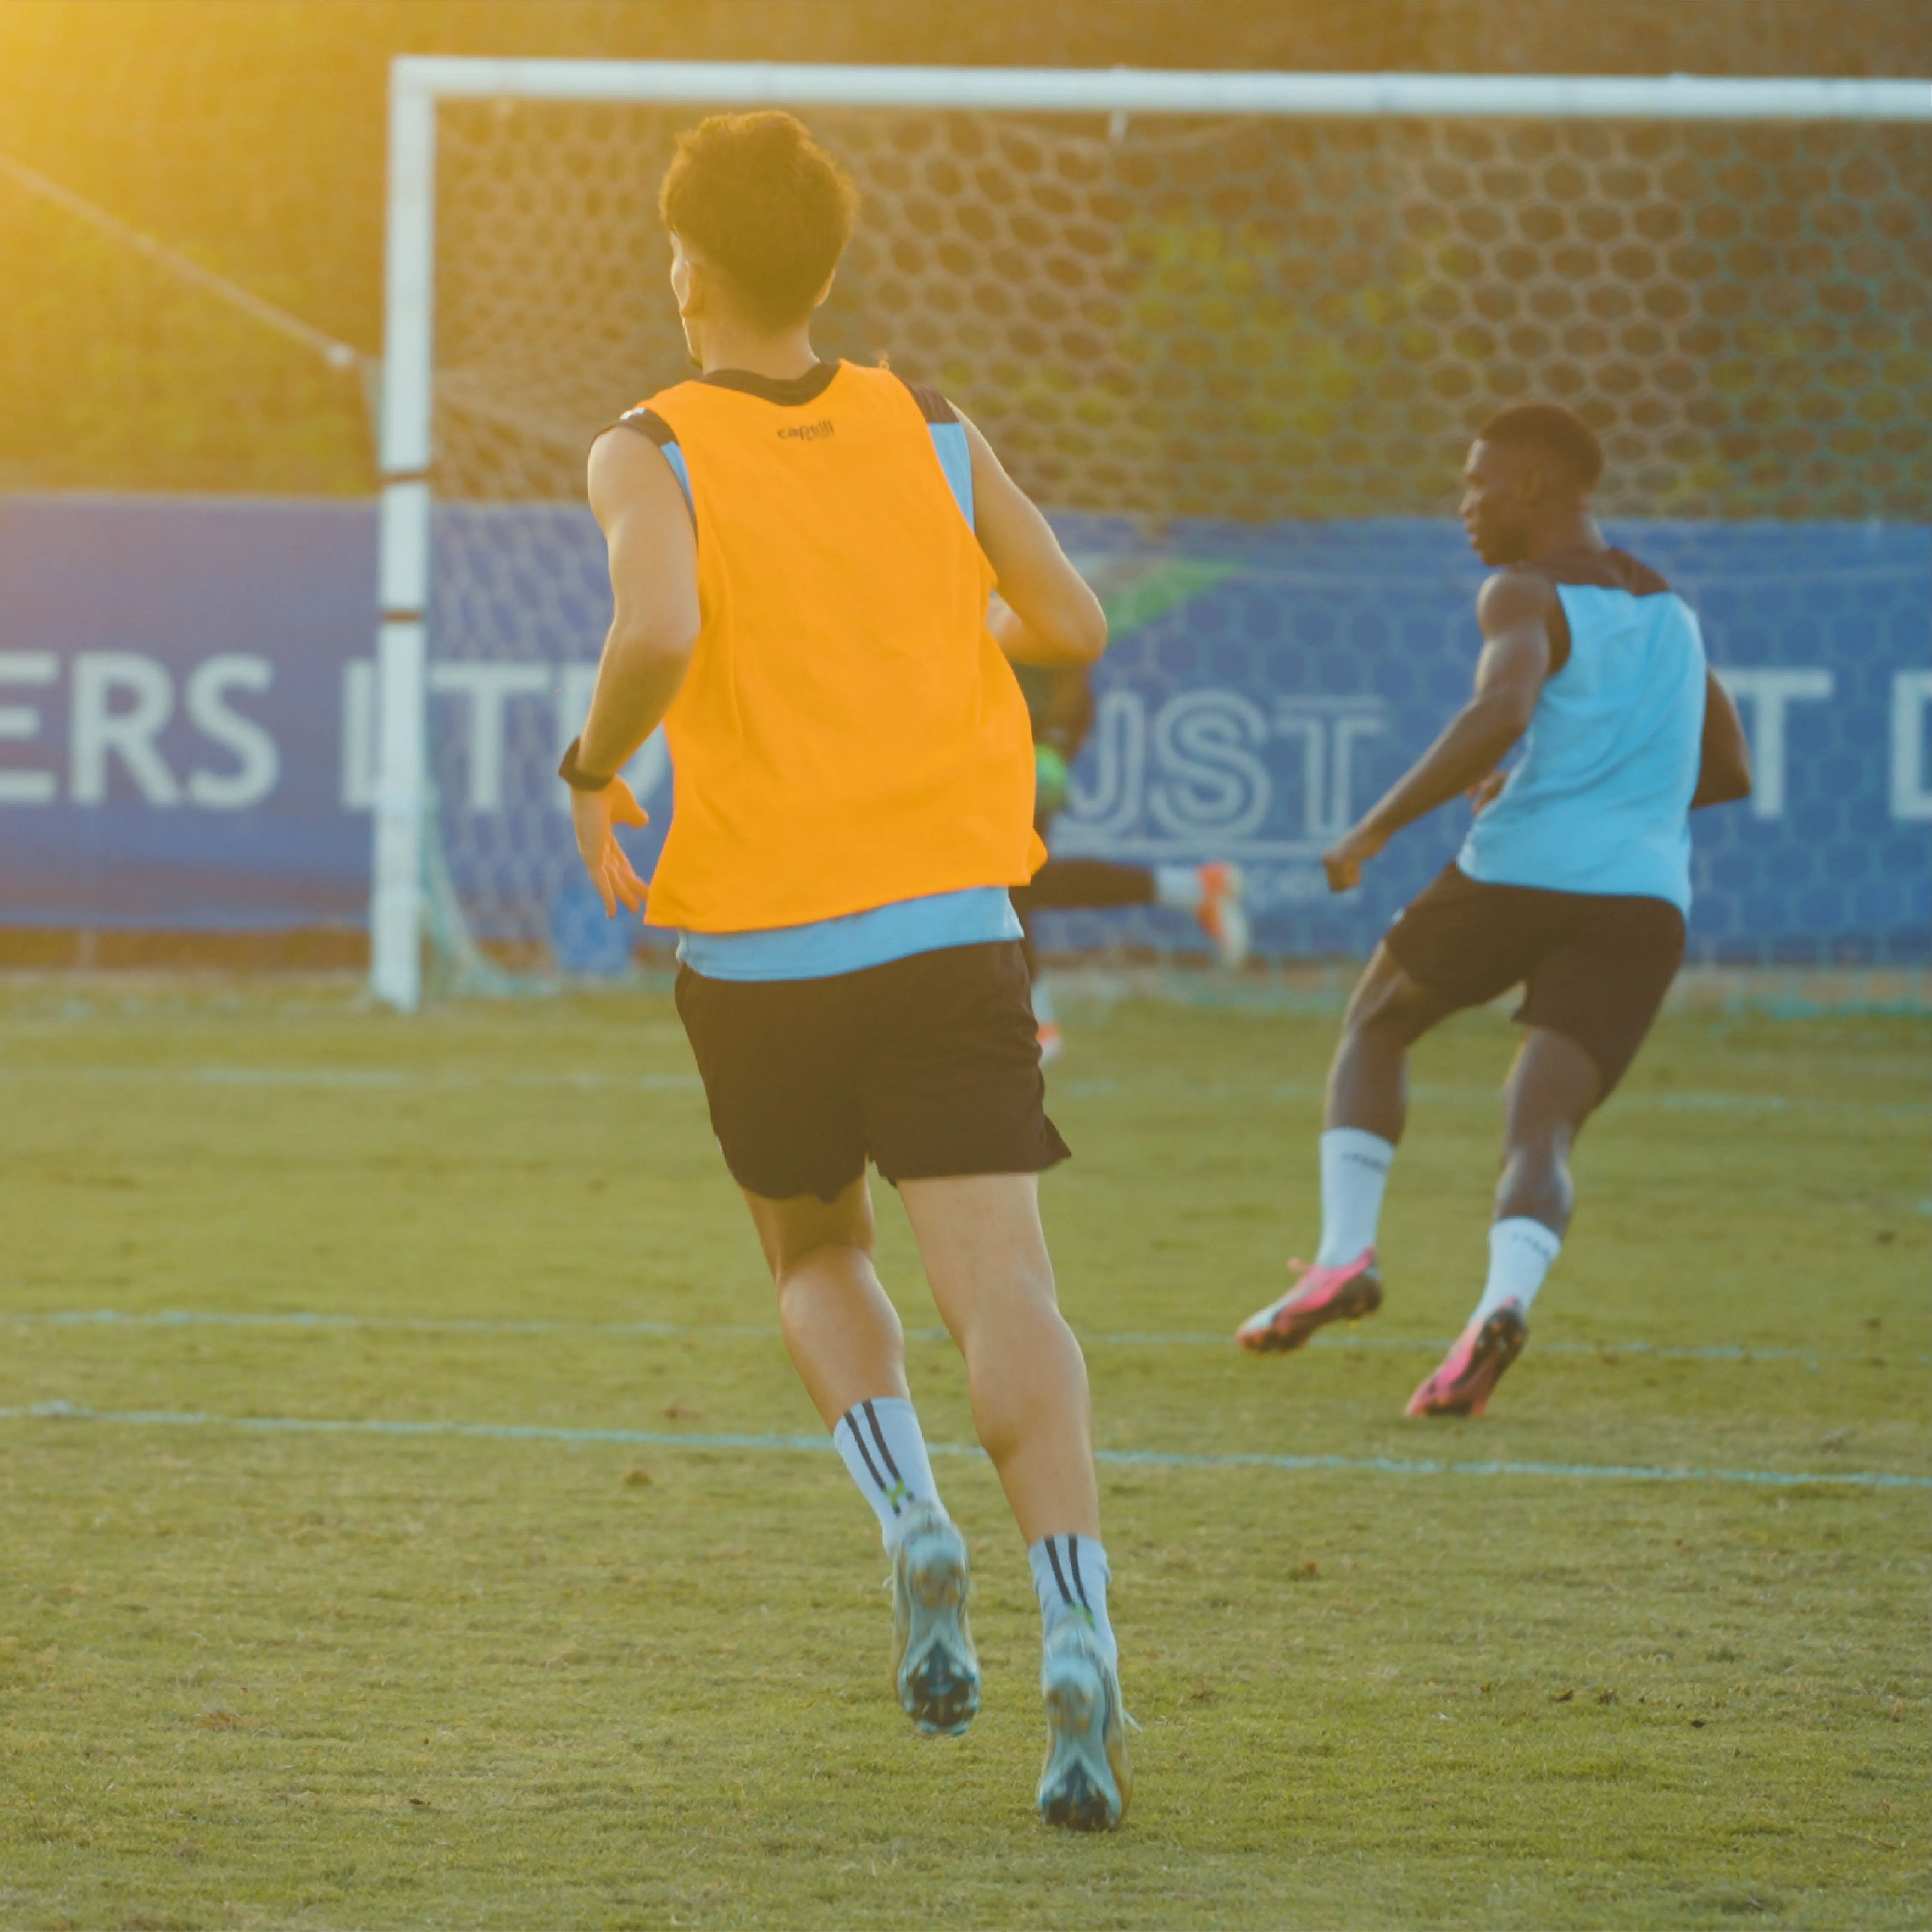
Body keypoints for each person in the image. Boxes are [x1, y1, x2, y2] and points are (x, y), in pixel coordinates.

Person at [559, 111, 1130, 1830]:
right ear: (825, 272)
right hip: (954, 927)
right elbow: (1076, 628)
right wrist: (944, 634)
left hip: (761, 945)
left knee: (814, 1249)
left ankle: (908, 1522)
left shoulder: (645, 445)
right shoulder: (931, 423)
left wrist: (594, 773)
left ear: (689, 270)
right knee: (1008, 1297)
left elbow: (656, 631)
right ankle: (1081, 1638)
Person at [1235, 403, 1753, 1414]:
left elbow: (1499, 711)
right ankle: (1499, 1306)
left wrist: (1373, 829)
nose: (1464, 506)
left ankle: (1345, 1258)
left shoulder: (1522, 591)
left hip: (1522, 871)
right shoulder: (1674, 617)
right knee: (1544, 1122)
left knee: (1380, 1018)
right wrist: (1612, 795)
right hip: (1645, 901)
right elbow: (1727, 766)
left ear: (1533, 489)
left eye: (1477, 485)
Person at [1012, 661, 1248, 1061]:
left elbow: (1073, 638)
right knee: (1018, 877)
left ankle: (1039, 1026)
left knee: (1006, 877)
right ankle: (1194, 889)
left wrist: (1054, 729)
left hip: (1028, 721)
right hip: (997, 712)